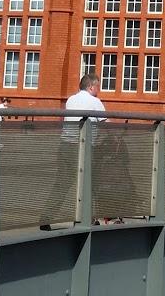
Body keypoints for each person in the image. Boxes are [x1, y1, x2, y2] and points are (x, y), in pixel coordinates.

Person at [40, 72, 108, 229]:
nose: (99, 90)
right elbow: (106, 123)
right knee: (88, 183)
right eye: (98, 87)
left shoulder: (70, 100)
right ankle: (86, 219)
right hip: (84, 147)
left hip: (65, 145)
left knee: (62, 183)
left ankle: (45, 218)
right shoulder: (95, 102)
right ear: (91, 87)